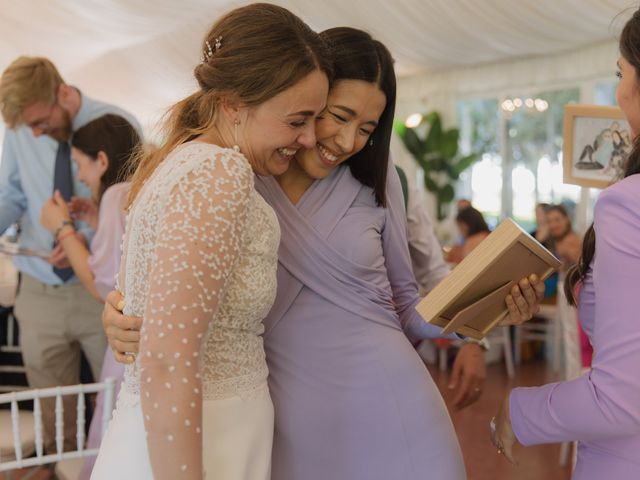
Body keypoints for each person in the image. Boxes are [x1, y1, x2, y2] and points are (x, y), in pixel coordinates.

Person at [103, 27, 542, 480]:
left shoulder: (376, 177)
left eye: (368, 128)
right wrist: (120, 310)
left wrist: (485, 312)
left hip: (392, 404)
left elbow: (408, 309)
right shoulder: (241, 169)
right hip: (285, 420)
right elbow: (166, 271)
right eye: (337, 115)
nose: (349, 141)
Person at [91, 4, 330, 480]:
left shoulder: (183, 161)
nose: (308, 138)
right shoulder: (218, 172)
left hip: (211, 431)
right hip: (201, 441)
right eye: (297, 120)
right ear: (234, 104)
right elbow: (165, 360)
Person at [492, 9, 640, 478]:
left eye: (621, 73)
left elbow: (624, 396)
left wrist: (519, 411)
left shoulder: (627, 205)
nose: (619, 91)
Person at [0, 56, 140, 452]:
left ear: (62, 93)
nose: (36, 133)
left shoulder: (118, 125)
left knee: (116, 394)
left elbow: (130, 209)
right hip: (39, 288)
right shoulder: (21, 130)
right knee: (50, 401)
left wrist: (76, 236)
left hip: (100, 292)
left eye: (41, 123)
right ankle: (58, 466)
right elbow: (10, 195)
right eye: (29, 127)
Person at [38, 114, 141, 479]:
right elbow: (127, 254)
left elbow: (103, 284)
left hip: (125, 343)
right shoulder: (134, 190)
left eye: (81, 165)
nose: (80, 177)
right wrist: (98, 223)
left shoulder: (117, 193)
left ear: (101, 159)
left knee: (109, 434)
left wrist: (62, 228)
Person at [546, 204, 582, 269]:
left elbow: (584, 268)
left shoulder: (571, 241)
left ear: (567, 219)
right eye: (549, 221)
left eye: (557, 220)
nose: (553, 225)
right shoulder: (557, 240)